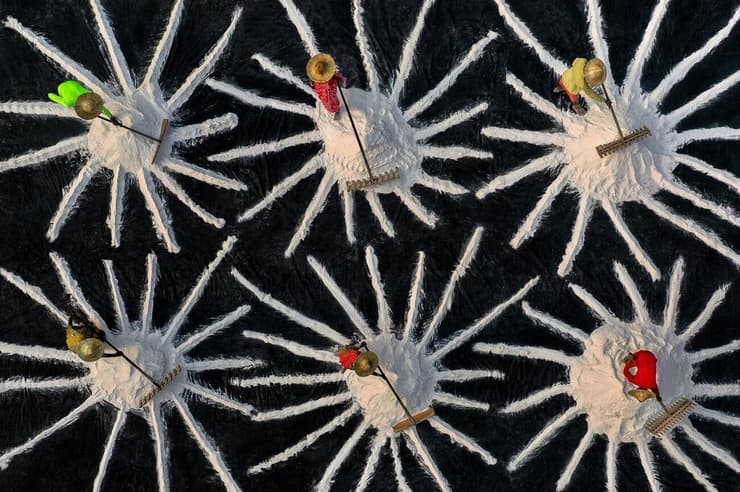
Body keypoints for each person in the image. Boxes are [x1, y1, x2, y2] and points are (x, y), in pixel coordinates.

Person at [307, 54, 346, 118]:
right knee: (330, 101)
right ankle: (335, 108)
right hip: (325, 94)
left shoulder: (333, 76)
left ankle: (336, 110)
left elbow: (342, 80)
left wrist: (339, 79)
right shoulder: (333, 76)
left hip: (329, 94)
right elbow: (342, 80)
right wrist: (339, 80)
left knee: (331, 103)